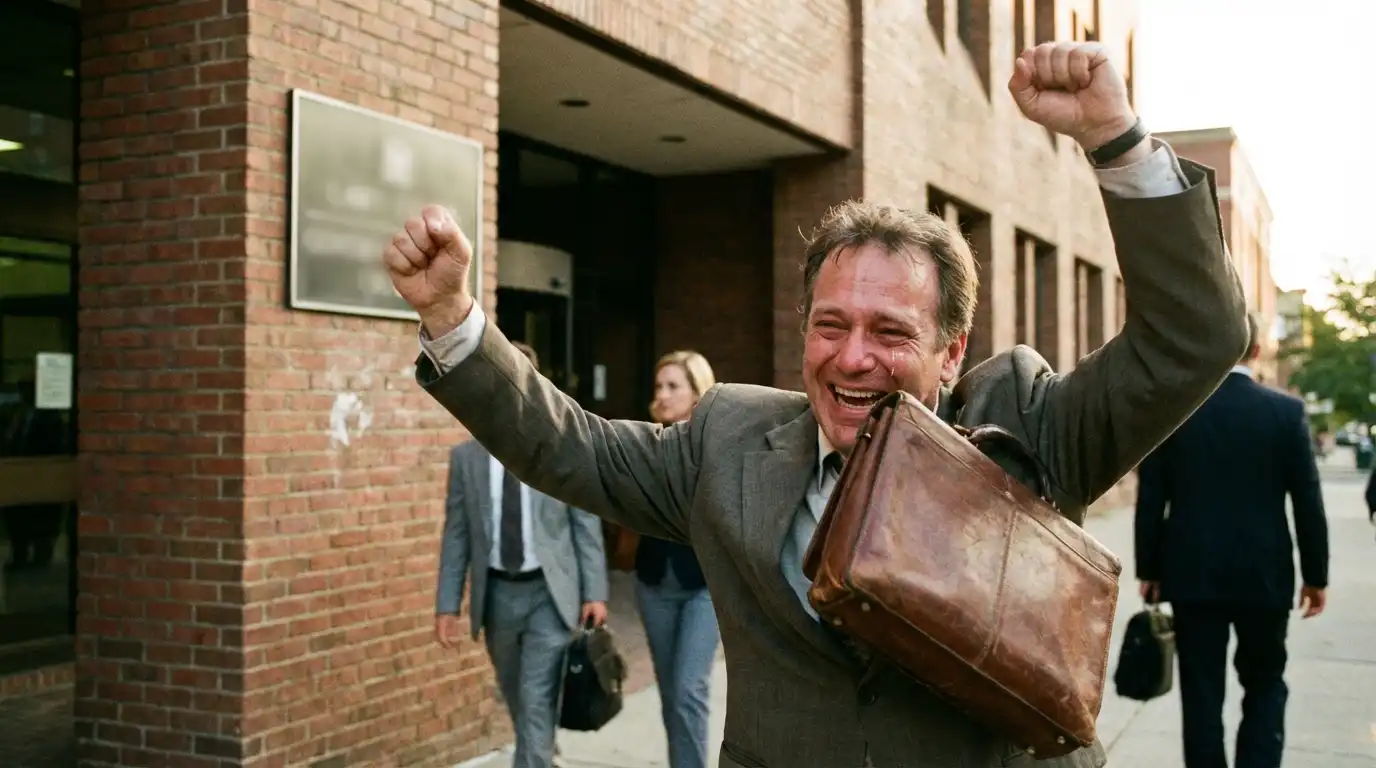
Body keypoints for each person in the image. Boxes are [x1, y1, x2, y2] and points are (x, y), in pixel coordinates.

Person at [388, 42, 1250, 768]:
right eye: (830, 325)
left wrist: (1115, 140)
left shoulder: (1033, 429)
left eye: (891, 332)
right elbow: (571, 446)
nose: (853, 357)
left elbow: (1195, 336)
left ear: (952, 350)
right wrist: (453, 319)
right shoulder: (727, 441)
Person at [1134, 314, 1329, 768]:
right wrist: (1315, 576)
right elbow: (1308, 501)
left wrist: (1150, 569)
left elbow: (1151, 498)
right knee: (1265, 684)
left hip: (1192, 575)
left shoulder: (1176, 411)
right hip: (1264, 577)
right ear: (1257, 351)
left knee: (1201, 694)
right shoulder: (1285, 413)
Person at [433, 341, 610, 768]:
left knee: (535, 699)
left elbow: (584, 521)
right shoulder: (466, 459)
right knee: (517, 697)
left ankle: (535, 756)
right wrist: (447, 605)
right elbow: (457, 535)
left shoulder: (560, 449)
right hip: (497, 597)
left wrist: (595, 590)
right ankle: (541, 751)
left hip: (550, 594)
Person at [636, 351, 722, 768]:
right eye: (659, 386)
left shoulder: (715, 448)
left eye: (674, 386)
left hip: (703, 586)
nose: (663, 394)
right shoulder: (647, 443)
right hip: (653, 582)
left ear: (697, 393)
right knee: (671, 693)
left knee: (689, 689)